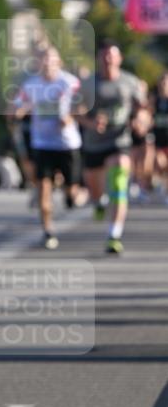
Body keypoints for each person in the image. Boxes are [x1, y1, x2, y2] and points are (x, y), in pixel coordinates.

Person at [78, 40, 146, 254]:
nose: (108, 60)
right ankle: (99, 203)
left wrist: (140, 122)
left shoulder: (130, 82)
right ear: (99, 59)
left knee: (118, 179)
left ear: (119, 59)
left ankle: (114, 234)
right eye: (104, 56)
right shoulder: (89, 84)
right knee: (96, 191)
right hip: (93, 144)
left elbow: (143, 109)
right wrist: (91, 123)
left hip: (119, 141)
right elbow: (76, 111)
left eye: (112, 56)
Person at [13, 47, 82, 249]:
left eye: (51, 60)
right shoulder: (31, 85)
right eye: (43, 60)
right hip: (42, 143)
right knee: (43, 188)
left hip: (67, 144)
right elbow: (17, 104)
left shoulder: (69, 82)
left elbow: (82, 106)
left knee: (73, 193)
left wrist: (69, 118)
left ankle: (69, 193)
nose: (47, 64)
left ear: (59, 62)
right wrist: (17, 111)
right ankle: (48, 230)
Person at [151, 72, 168, 199]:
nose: (163, 85)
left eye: (165, 82)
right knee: (160, 164)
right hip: (159, 141)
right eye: (161, 82)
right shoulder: (155, 100)